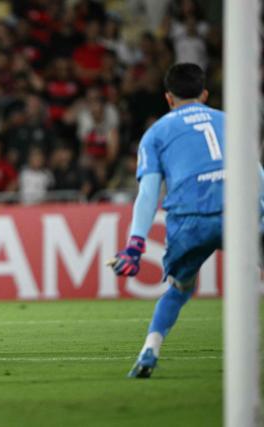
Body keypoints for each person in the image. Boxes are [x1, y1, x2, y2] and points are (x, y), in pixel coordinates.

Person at [107, 63, 261, 378]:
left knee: (180, 288)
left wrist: (135, 245)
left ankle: (150, 349)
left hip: (191, 221)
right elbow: (257, 173)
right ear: (204, 94)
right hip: (240, 212)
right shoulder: (231, 121)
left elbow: (148, 194)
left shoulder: (156, 134)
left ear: (168, 97)